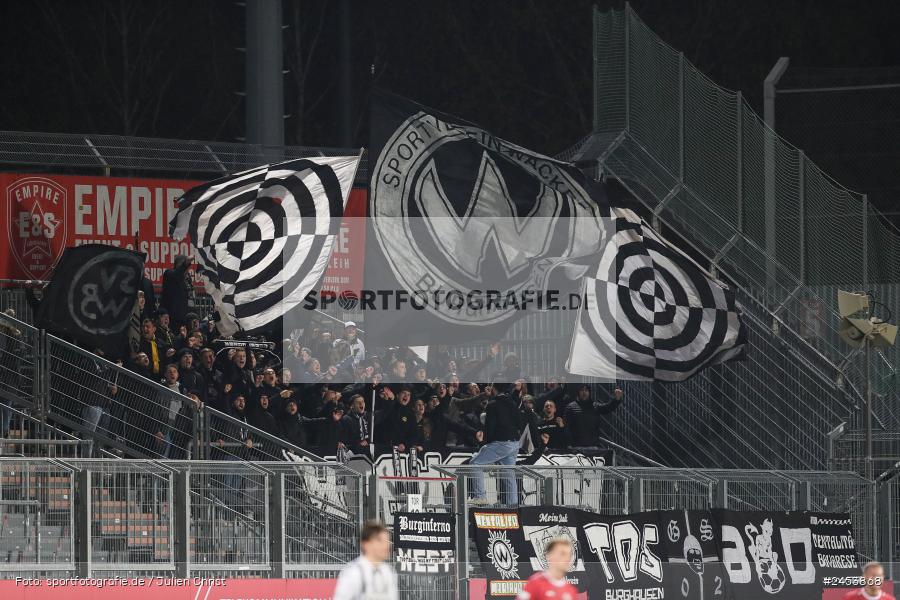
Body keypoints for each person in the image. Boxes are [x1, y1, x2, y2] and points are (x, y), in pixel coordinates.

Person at [470, 392, 521, 506]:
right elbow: (519, 423)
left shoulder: (493, 404)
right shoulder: (513, 403)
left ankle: (480, 498)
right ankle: (513, 505)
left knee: (475, 464)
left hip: (501, 442)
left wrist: (485, 442)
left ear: (495, 389)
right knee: (509, 473)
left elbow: (490, 426)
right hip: (515, 442)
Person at [333, 520, 399, 600]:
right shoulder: (353, 572)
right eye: (380, 541)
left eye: (387, 541)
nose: (386, 545)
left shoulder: (388, 572)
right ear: (366, 544)